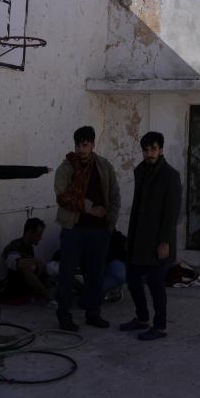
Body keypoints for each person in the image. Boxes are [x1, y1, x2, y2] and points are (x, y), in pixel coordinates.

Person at [53, 126, 121, 331]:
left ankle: (93, 313)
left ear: (92, 144)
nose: (81, 149)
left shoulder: (104, 166)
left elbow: (115, 196)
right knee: (67, 274)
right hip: (73, 229)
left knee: (95, 275)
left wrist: (110, 223)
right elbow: (62, 196)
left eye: (85, 145)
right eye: (78, 145)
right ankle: (64, 316)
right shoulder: (67, 167)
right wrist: (91, 209)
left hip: (99, 231)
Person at [120, 132, 182, 341]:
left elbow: (172, 211)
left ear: (161, 149)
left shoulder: (170, 175)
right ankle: (142, 318)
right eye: (146, 150)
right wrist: (131, 236)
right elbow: (137, 208)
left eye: (153, 149)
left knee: (156, 285)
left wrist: (165, 240)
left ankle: (160, 325)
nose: (149, 154)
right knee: (132, 279)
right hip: (138, 239)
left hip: (158, 241)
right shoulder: (140, 171)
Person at [0, 218, 50, 302]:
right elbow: (17, 264)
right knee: (25, 267)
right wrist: (36, 260)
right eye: (38, 235)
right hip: (1, 285)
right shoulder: (15, 245)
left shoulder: (29, 247)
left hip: (15, 283)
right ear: (29, 232)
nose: (40, 238)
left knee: (45, 269)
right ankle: (46, 294)